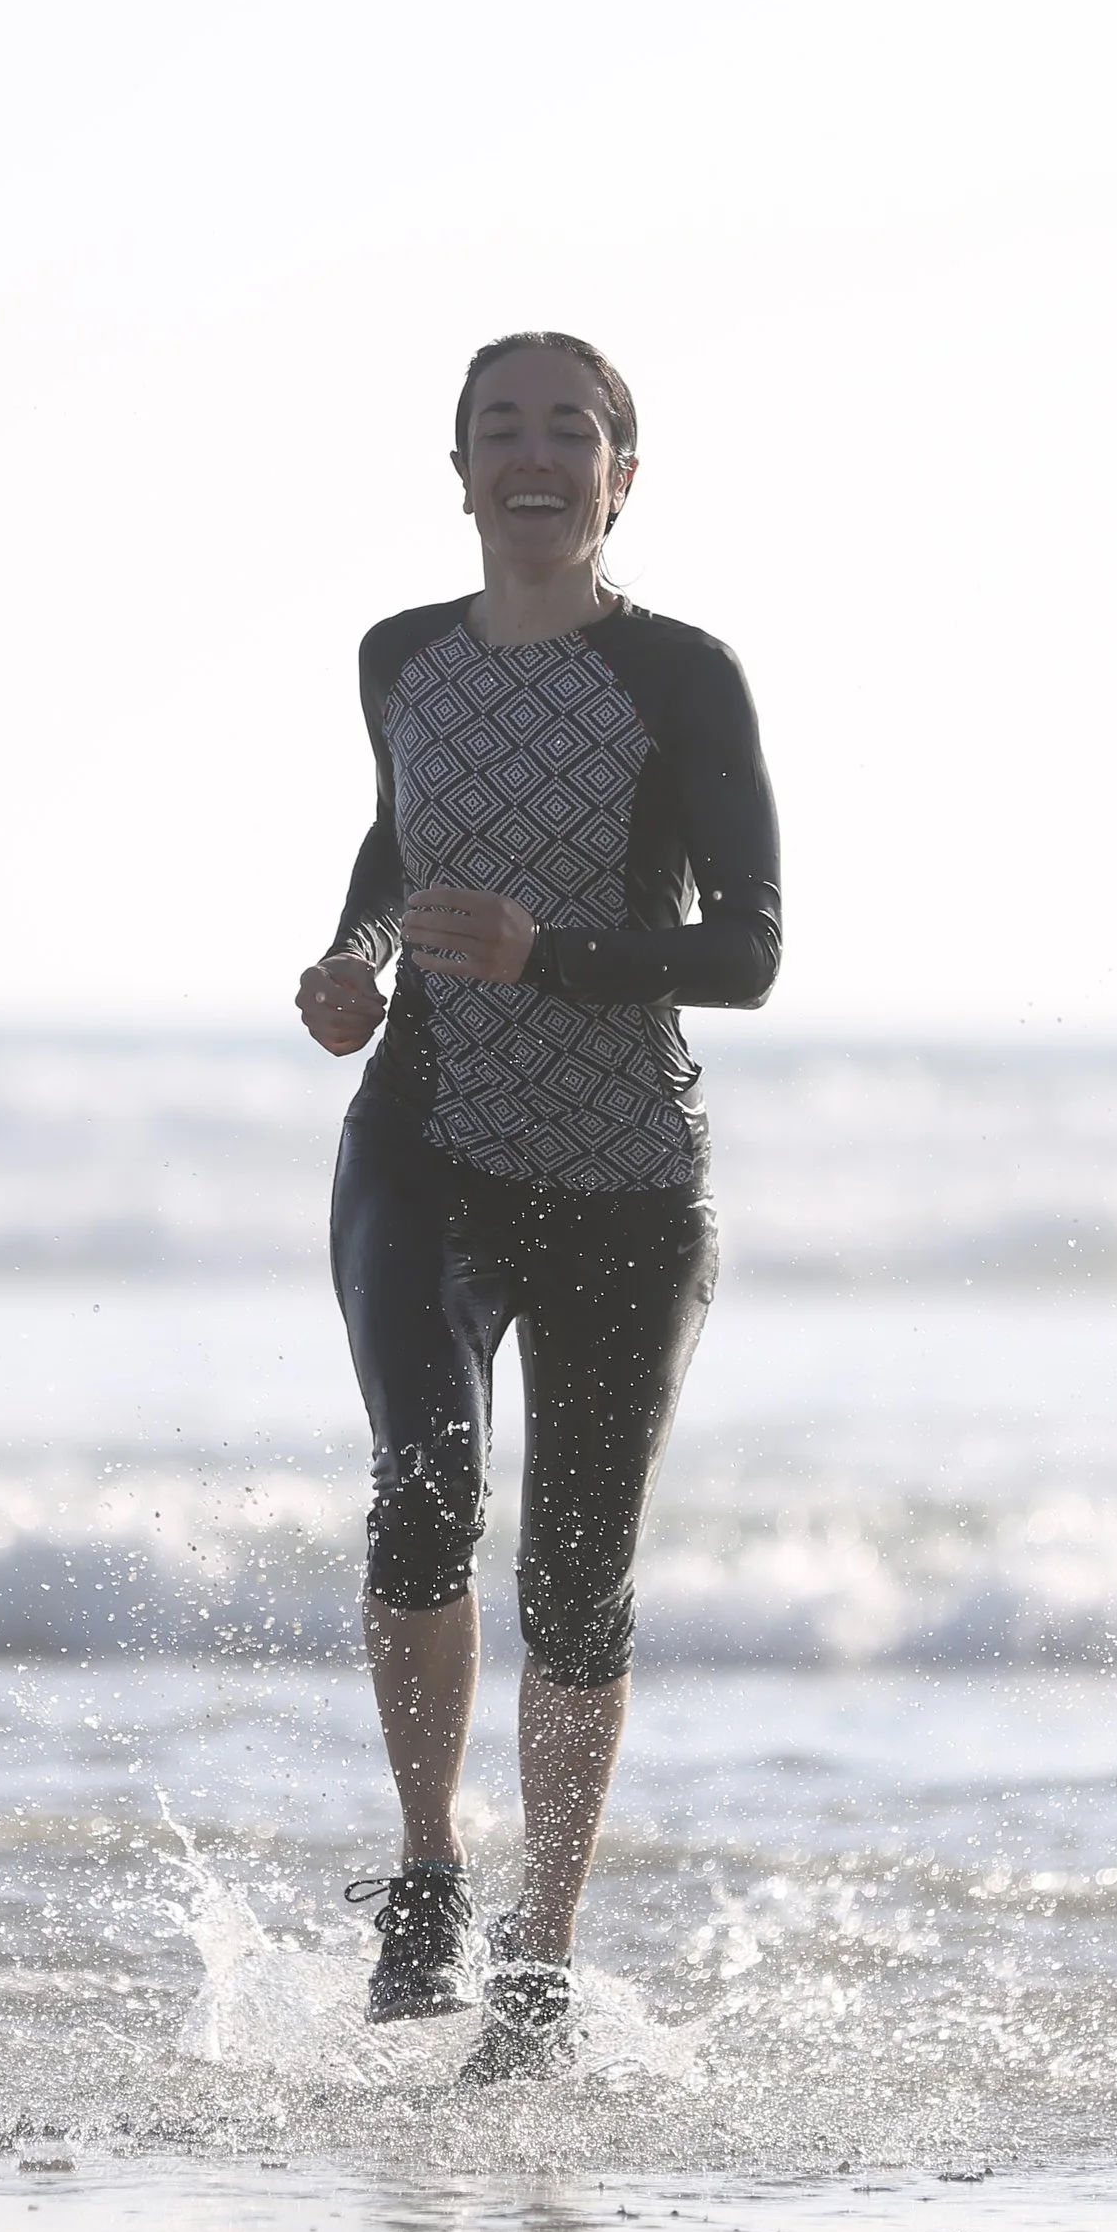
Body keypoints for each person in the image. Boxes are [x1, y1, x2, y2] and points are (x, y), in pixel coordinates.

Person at [297, 332, 781, 2084]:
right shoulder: (401, 658)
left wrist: (550, 954)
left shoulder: (680, 678)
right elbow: (389, 850)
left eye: (568, 431)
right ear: (459, 470)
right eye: (499, 428)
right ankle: (427, 1876)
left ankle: (543, 1955)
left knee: (578, 1581)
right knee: (425, 1483)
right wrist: (354, 964)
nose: (532, 455)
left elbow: (750, 948)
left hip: (627, 1184)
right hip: (423, 1139)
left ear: (619, 478)